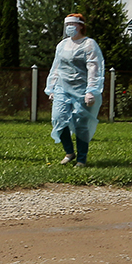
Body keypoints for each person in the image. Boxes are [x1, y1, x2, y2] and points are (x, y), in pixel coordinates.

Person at [46, 13, 104, 167]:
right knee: (58, 119)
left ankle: (81, 159)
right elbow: (56, 67)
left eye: (72, 24)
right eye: (67, 25)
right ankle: (69, 152)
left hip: (81, 89)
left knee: (80, 124)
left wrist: (91, 90)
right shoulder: (62, 45)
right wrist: (51, 87)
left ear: (81, 26)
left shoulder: (89, 44)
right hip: (62, 88)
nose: (69, 28)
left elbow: (94, 68)